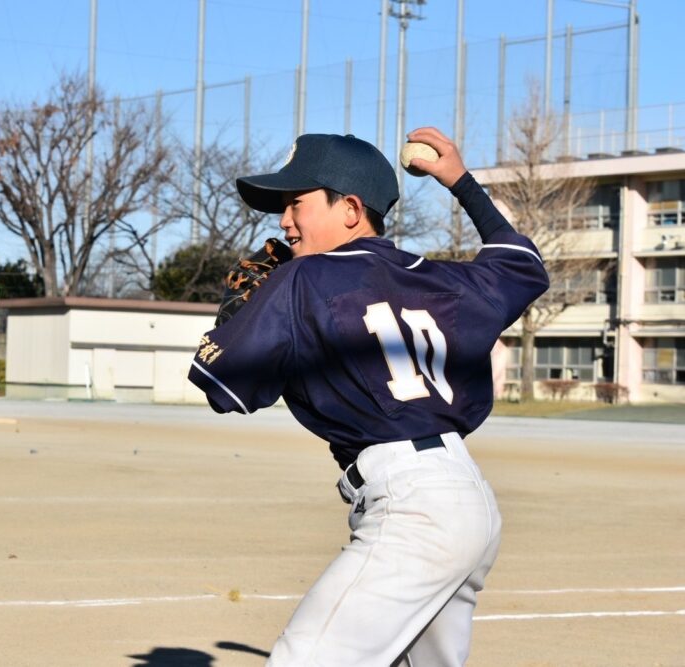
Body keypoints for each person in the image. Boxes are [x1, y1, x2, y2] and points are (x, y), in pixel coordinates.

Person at [188, 127, 549, 666]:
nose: (284, 221)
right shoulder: (439, 279)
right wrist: (460, 183)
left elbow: (223, 385)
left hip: (411, 508)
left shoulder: (302, 279)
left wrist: (238, 310)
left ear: (351, 208)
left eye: (296, 203)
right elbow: (524, 266)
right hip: (469, 502)